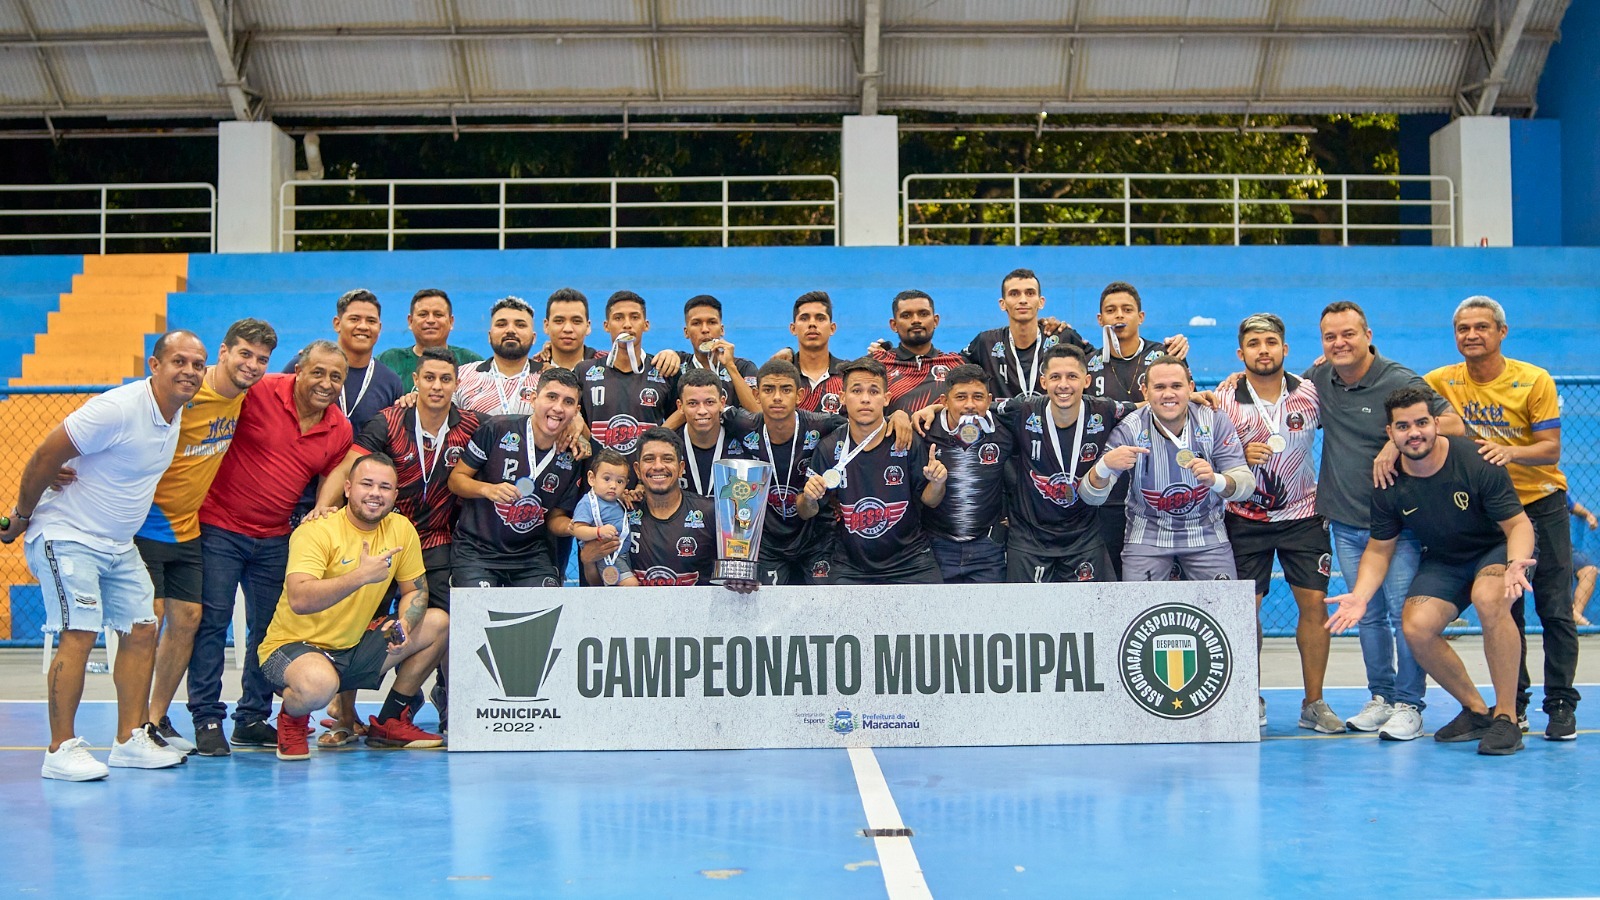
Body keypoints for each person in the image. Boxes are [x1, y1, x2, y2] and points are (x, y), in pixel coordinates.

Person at [3, 330, 208, 780]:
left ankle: (129, 740)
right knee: (79, 630)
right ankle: (60, 750)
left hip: (118, 545)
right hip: (67, 535)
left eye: (197, 364)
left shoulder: (174, 413)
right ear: (154, 366)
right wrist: (20, 515)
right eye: (179, 361)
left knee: (141, 629)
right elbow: (43, 456)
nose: (189, 371)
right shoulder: (117, 408)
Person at [1325, 387, 1535, 756]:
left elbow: (1518, 524)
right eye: (1403, 426)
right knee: (1416, 627)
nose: (1415, 432)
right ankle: (1476, 710)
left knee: (1489, 597)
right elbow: (1379, 547)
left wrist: (1516, 562)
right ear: (1390, 433)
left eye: (1422, 422)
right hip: (1445, 560)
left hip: (1494, 549)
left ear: (1437, 423)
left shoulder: (1475, 459)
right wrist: (1360, 595)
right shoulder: (1388, 481)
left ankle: (1506, 717)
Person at [1305, 300, 1462, 738]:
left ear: (1368, 335)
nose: (1339, 343)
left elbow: (1454, 423)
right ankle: (1382, 696)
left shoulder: (1399, 380)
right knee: (1366, 615)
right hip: (1346, 522)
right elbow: (1276, 393)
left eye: (1348, 334)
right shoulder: (1320, 377)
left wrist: (1396, 440)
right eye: (1330, 336)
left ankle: (1410, 705)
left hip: (1400, 528)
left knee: (1400, 614)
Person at [1425, 295, 1580, 739]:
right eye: (1463, 329)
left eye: (1481, 327)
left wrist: (1511, 451)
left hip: (1539, 503)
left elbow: (1551, 449)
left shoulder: (1533, 380)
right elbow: (1396, 390)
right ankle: (1518, 702)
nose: (1471, 335)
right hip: (1490, 510)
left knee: (1553, 607)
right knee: (1505, 610)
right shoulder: (1442, 380)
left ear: (1501, 332)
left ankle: (1561, 704)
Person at [188, 340, 353, 755]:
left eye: (336, 377)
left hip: (276, 536)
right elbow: (204, 406)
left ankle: (251, 718)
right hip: (219, 527)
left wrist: (321, 506)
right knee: (213, 622)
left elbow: (338, 470)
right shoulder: (259, 389)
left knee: (267, 633)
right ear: (299, 368)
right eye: (318, 372)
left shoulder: (339, 427)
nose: (326, 383)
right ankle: (207, 717)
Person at [314, 347, 483, 742]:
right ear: (415, 381)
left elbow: (521, 434)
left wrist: (574, 424)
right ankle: (344, 716)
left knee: (442, 624)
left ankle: (395, 713)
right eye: (429, 378)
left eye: (445, 379)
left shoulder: (474, 425)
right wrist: (324, 505)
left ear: (456, 385)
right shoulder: (388, 421)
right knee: (353, 622)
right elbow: (350, 467)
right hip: (380, 539)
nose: (437, 386)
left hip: (436, 541)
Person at [136, 318, 277, 755]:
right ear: (224, 351)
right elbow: (110, 424)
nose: (252, 366)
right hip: (143, 523)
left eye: (261, 359)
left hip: (187, 527)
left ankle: (157, 719)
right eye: (244, 354)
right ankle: (136, 724)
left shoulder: (245, 396)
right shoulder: (185, 392)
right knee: (147, 622)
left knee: (189, 620)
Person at [259, 453, 450, 761]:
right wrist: (360, 576)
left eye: (385, 487)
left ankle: (390, 720)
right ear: (347, 488)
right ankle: (292, 720)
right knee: (319, 685)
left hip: (352, 650)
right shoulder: (317, 530)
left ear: (395, 495)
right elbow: (300, 599)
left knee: (438, 622)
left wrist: (405, 623)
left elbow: (415, 592)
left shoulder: (401, 529)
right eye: (367, 484)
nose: (376, 493)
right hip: (291, 649)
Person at [1215, 314, 1341, 734]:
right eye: (1254, 343)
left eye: (1271, 341)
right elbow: (1208, 453)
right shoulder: (1223, 397)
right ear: (1241, 353)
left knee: (1314, 608)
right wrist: (1235, 458)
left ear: (1285, 349)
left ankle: (1314, 702)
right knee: (1243, 612)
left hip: (1304, 516)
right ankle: (1248, 695)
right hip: (1243, 518)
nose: (1263, 349)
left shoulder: (1311, 393)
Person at [1082, 355, 1255, 581]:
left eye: (1176, 386)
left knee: (1222, 612)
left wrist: (1216, 480)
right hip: (1147, 537)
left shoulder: (1213, 420)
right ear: (1145, 391)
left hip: (1207, 535)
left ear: (1190, 387)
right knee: (1139, 614)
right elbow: (1090, 496)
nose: (1168, 394)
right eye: (1159, 387)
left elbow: (1246, 485)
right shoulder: (1129, 429)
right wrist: (1104, 466)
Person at [798, 357, 949, 584]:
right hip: (851, 565)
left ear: (886, 399)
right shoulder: (829, 448)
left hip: (910, 562)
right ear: (842, 398)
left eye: (874, 391)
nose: (865, 399)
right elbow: (806, 511)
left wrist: (937, 483)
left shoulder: (906, 441)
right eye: (856, 391)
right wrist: (809, 497)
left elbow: (931, 501)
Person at [1080, 281, 1188, 578]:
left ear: (1140, 316)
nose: (1119, 316)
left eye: (1127, 310)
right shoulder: (1087, 365)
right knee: (1113, 577)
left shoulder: (1166, 357)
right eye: (1111, 311)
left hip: (1160, 485)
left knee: (1165, 582)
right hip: (1111, 488)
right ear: (1099, 319)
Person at [579, 427, 717, 585]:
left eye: (667, 459)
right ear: (637, 470)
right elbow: (600, 584)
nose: (658, 466)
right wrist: (588, 561)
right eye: (649, 459)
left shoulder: (709, 513)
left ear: (681, 469)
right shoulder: (622, 512)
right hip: (636, 609)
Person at [917, 364, 1014, 583]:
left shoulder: (1004, 431)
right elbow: (926, 500)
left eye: (978, 397)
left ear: (989, 400)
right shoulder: (924, 433)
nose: (970, 405)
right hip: (937, 545)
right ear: (943, 401)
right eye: (960, 397)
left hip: (988, 548)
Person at [803, 290, 966, 417]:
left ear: (935, 320)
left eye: (923, 314)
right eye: (906, 315)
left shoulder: (958, 365)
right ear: (893, 325)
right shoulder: (873, 365)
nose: (916, 320)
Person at [960, 268, 1093, 401]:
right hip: (1001, 421)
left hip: (1053, 421)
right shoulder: (987, 342)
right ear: (1002, 304)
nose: (1023, 300)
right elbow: (949, 369)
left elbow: (1102, 365)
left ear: (1041, 302)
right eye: (1014, 294)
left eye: (1030, 293)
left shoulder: (1062, 337)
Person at [581, 291, 681, 459]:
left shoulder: (664, 370)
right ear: (606, 325)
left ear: (646, 324)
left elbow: (682, 413)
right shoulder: (584, 371)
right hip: (599, 478)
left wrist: (653, 439)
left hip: (647, 478)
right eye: (618, 318)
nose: (627, 325)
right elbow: (571, 414)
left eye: (634, 317)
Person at [289, 288, 404, 433]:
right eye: (354, 319)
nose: (363, 326)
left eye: (371, 321)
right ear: (337, 324)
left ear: (379, 328)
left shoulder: (391, 382)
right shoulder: (305, 365)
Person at [375, 288, 483, 390]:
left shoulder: (471, 362)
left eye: (438, 314)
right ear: (410, 321)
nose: (430, 320)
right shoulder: (388, 361)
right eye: (423, 314)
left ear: (451, 321)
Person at [454, 296, 543, 417]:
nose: (510, 330)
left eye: (520, 325)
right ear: (489, 336)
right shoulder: (462, 376)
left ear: (534, 338)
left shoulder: (549, 378)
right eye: (501, 324)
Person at [569, 450, 639, 586]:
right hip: (606, 557)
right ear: (591, 478)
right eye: (607, 479)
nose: (613, 485)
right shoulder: (587, 502)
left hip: (622, 555)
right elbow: (577, 530)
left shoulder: (617, 500)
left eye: (620, 481)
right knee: (630, 585)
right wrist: (599, 531)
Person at [680, 294, 759, 412]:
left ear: (722, 330)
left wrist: (730, 366)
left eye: (712, 322)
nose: (705, 329)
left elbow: (758, 414)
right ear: (686, 332)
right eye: (696, 323)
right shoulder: (677, 366)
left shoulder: (744, 367)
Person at [782, 291, 848, 397]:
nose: (812, 324)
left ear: (832, 328)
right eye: (804, 318)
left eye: (820, 318)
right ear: (793, 329)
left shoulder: (848, 374)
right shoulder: (779, 375)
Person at [1571, 497, 1598, 626]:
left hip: (1563, 546)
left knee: (1590, 570)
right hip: (1535, 545)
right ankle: (1573, 615)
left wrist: (1588, 514)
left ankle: (1576, 614)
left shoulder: (1553, 489)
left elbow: (1570, 504)